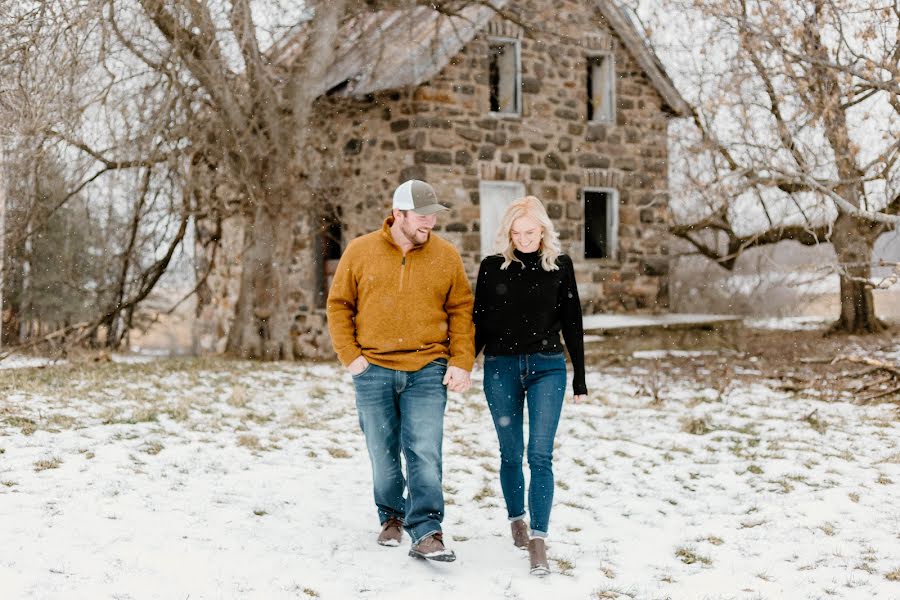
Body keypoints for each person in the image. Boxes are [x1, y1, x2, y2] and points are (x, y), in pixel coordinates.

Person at [326, 179, 475, 563]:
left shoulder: (445, 256)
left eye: (433, 216)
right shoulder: (360, 251)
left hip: (427, 367)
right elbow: (339, 305)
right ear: (398, 214)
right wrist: (351, 356)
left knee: (424, 450)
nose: (430, 223)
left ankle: (426, 530)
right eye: (422, 216)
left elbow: (460, 310)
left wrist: (460, 361)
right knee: (382, 450)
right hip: (372, 367)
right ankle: (391, 516)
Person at [473, 195, 587, 576]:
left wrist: (580, 379)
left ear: (543, 231)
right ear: (508, 233)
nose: (524, 239)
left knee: (539, 455)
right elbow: (480, 322)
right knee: (510, 453)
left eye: (531, 231)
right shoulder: (492, 268)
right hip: (500, 368)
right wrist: (462, 364)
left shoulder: (560, 267)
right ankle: (516, 518)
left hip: (547, 368)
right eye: (517, 232)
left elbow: (572, 320)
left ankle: (538, 540)